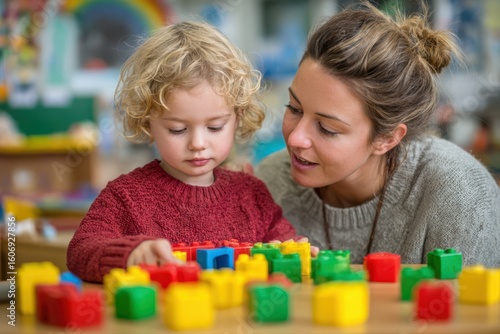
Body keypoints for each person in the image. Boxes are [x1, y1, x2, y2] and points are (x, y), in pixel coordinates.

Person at [255, 2, 500, 267]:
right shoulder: (270, 183)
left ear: (387, 138)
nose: (294, 139)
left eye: (327, 129)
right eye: (294, 108)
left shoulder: (457, 191)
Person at [67, 21, 297, 283]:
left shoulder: (252, 195)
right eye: (177, 130)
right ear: (147, 122)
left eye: (215, 127)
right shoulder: (125, 197)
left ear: (238, 117)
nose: (197, 143)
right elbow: (80, 252)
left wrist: (297, 253)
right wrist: (129, 255)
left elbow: (284, 245)